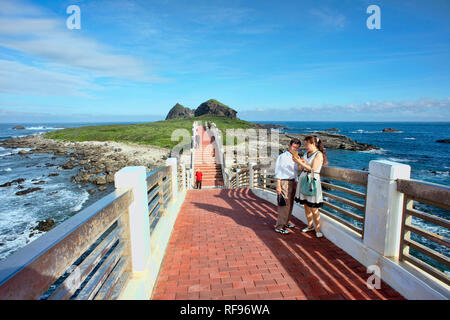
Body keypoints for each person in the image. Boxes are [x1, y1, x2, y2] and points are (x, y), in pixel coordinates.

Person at [292, 136, 328, 238]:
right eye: (305, 144)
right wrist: (299, 161)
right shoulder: (306, 154)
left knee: (314, 207)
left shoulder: (318, 154)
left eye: (307, 144)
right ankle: (310, 225)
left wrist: (300, 162)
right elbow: (300, 168)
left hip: (312, 181)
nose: (306, 146)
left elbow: (313, 169)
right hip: (304, 179)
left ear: (313, 144)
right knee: (306, 206)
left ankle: (318, 229)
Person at [274, 138, 301, 234]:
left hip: (293, 182)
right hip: (284, 182)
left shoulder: (296, 157)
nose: (295, 149)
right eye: (294, 147)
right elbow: (278, 171)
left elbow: (296, 171)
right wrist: (278, 186)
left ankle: (286, 222)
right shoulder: (282, 156)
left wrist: (296, 182)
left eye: (297, 148)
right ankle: (279, 226)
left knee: (290, 204)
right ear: (289, 146)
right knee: (284, 205)